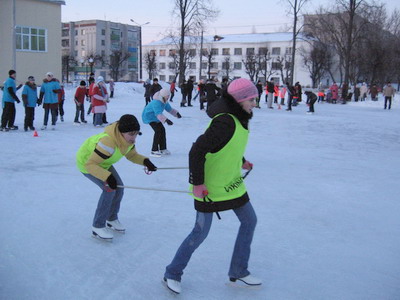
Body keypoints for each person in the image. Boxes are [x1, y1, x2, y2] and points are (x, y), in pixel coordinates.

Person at [163, 78, 261, 295]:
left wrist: (241, 159)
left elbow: (227, 144)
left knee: (249, 220)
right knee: (200, 232)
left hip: (232, 184)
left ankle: (239, 270)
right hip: (209, 188)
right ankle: (172, 273)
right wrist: (197, 183)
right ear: (240, 99)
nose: (255, 103)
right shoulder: (225, 121)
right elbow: (197, 151)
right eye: (252, 99)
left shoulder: (239, 117)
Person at [76, 114, 157, 241]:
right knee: (109, 190)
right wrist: (107, 177)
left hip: (104, 163)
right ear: (122, 132)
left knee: (119, 188)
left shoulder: (127, 141)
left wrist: (145, 162)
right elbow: (91, 165)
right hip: (87, 163)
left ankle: (111, 218)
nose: (134, 138)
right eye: (131, 134)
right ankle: (97, 226)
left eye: (136, 134)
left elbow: (132, 155)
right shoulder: (108, 142)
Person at [142, 88, 181, 157]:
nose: (168, 97)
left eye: (169, 96)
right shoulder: (156, 102)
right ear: (163, 96)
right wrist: (166, 120)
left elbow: (170, 109)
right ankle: (154, 150)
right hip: (149, 117)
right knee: (158, 131)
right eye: (167, 96)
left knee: (162, 130)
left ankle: (163, 149)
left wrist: (176, 114)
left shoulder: (164, 101)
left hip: (156, 117)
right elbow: (158, 114)